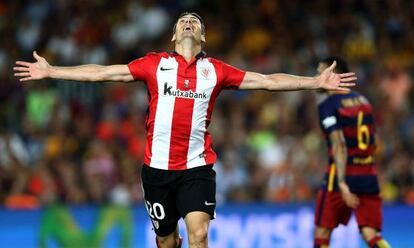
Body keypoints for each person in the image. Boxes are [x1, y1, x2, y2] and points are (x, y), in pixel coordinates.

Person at [14, 12, 356, 248]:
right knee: (166, 241)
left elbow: (266, 81)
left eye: (195, 21)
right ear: (174, 35)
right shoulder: (154, 65)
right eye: (183, 21)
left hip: (196, 169)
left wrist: (315, 81)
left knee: (199, 234)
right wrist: (53, 71)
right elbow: (104, 73)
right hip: (157, 171)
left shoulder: (216, 71)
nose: (188, 23)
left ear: (202, 36)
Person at [313, 57, 390, 248]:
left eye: (320, 71)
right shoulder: (364, 101)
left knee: (322, 232)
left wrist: (341, 182)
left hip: (340, 175)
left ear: (334, 75)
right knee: (371, 233)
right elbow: (374, 140)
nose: (316, 76)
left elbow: (338, 143)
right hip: (367, 174)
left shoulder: (328, 105)